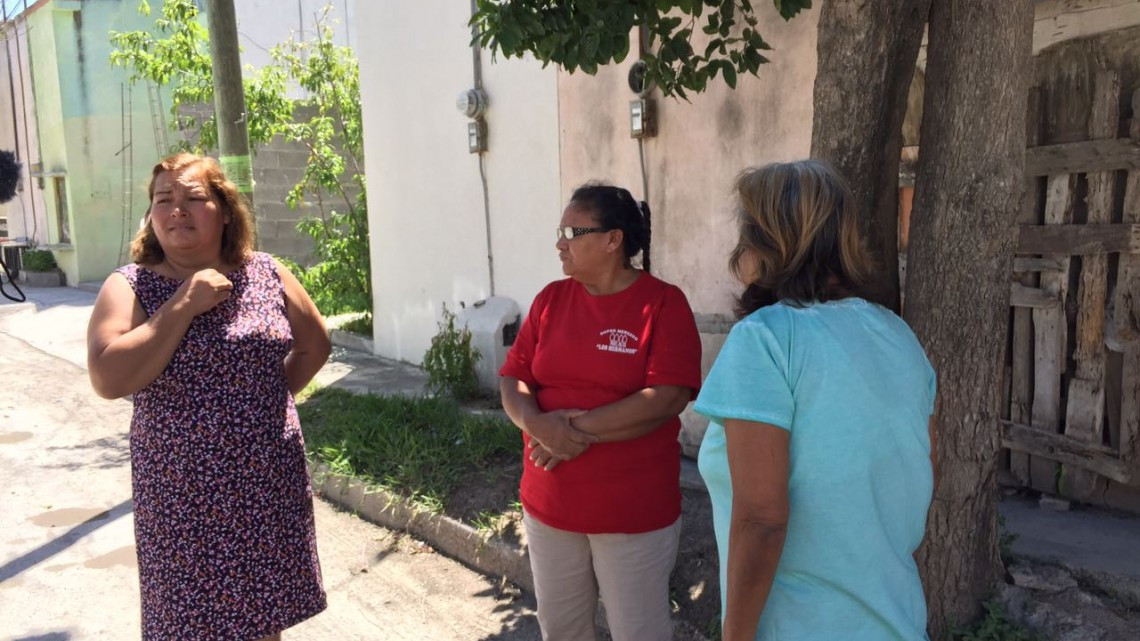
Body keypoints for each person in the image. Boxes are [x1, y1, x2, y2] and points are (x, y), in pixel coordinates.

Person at [87, 153, 331, 641]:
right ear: (151, 217)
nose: (176, 209)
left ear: (224, 210)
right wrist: (183, 303)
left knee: (263, 619)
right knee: (188, 623)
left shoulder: (265, 272)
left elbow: (315, 345)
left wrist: (265, 401)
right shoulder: (130, 285)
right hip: (182, 498)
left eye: (193, 198)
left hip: (265, 488)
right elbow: (108, 378)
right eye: (163, 200)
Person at [693, 160, 938, 641]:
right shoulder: (898, 337)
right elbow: (916, 480)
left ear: (762, 242)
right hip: (897, 622)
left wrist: (735, 635)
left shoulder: (763, 341)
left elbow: (762, 521)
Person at [498, 183, 702, 640]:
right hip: (549, 509)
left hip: (630, 516)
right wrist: (535, 424)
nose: (560, 243)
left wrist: (568, 432)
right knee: (562, 629)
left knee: (639, 631)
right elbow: (513, 378)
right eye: (560, 231)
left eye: (572, 231)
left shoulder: (662, 304)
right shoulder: (551, 300)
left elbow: (668, 396)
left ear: (613, 240)